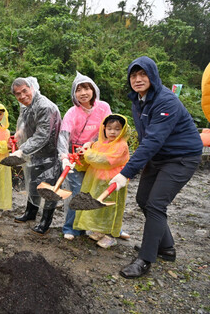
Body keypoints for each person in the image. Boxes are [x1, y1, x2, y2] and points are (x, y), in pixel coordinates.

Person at [110, 56, 203, 279]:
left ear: (153, 76)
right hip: (158, 156)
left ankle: (145, 259)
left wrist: (126, 172)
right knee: (143, 199)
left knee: (155, 204)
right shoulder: (137, 100)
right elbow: (146, 139)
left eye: (143, 74)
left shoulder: (166, 101)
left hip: (182, 157)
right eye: (133, 75)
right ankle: (166, 248)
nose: (138, 79)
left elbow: (153, 140)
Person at [58, 72, 112, 241]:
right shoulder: (72, 113)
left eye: (86, 88)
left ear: (93, 90)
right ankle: (71, 227)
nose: (83, 93)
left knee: (96, 192)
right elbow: (63, 135)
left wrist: (94, 144)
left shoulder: (103, 108)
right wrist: (64, 156)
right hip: (76, 156)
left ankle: (94, 228)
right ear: (74, 94)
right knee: (78, 192)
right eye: (78, 89)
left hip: (96, 156)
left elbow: (108, 130)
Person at [10, 77, 62, 235]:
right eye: (18, 94)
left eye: (25, 91)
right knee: (33, 183)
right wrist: (18, 135)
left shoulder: (44, 106)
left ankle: (46, 221)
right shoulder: (26, 106)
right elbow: (26, 124)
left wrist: (21, 150)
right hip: (35, 152)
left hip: (51, 153)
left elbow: (42, 135)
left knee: (50, 188)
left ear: (31, 88)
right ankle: (30, 212)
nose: (22, 96)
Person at [73, 114, 130, 248]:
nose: (112, 132)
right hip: (97, 182)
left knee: (110, 208)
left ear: (122, 130)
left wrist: (87, 154)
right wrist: (81, 156)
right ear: (103, 129)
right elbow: (91, 160)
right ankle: (99, 231)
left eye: (117, 129)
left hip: (113, 183)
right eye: (109, 128)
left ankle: (111, 236)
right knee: (97, 206)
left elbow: (105, 161)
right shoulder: (99, 144)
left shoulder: (122, 146)